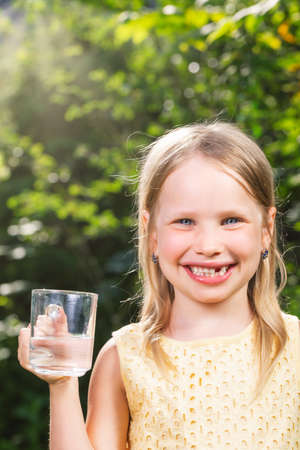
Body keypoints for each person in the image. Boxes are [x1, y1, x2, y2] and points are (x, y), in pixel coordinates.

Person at [18, 122, 300, 449]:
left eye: (231, 220)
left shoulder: (294, 349)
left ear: (266, 229)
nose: (208, 244)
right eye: (184, 221)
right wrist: (63, 382)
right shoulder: (124, 360)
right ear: (152, 234)